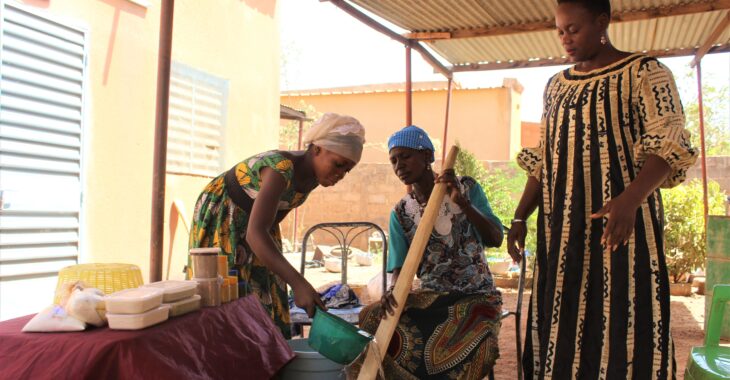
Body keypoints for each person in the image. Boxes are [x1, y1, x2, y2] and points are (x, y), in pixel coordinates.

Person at [508, 1, 698, 379]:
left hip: (624, 229)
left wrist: (630, 199)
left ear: (602, 22)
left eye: (573, 29)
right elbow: (545, 159)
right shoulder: (556, 86)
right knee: (561, 323)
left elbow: (669, 141)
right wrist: (519, 216)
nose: (566, 39)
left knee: (625, 317)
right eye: (560, 31)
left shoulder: (646, 72)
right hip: (561, 234)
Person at [189, 113, 366, 339]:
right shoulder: (280, 169)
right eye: (338, 164)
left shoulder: (311, 179)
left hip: (256, 225)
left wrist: (261, 258)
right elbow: (256, 233)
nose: (340, 174)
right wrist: (299, 283)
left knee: (266, 291)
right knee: (226, 292)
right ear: (317, 149)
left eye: (347, 170)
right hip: (224, 214)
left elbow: (265, 227)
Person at [358, 126, 506, 379]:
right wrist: (393, 291)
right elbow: (400, 269)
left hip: (475, 297)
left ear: (427, 156)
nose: (399, 166)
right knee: (371, 318)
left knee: (471, 347)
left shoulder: (467, 189)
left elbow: (496, 238)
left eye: (405, 156)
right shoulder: (402, 212)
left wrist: (463, 205)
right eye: (393, 160)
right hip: (431, 297)